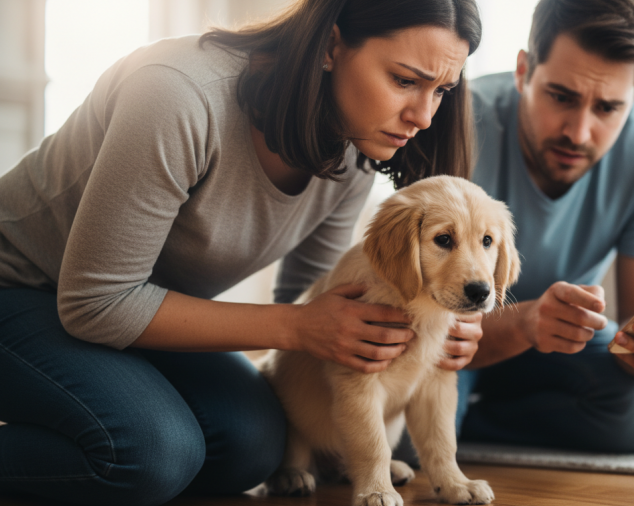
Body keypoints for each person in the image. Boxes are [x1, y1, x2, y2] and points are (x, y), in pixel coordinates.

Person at [0, 1, 481, 505]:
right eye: (405, 80)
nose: (425, 117)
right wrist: (301, 326)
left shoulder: (360, 139)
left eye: (442, 90)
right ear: (332, 47)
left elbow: (313, 294)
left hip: (137, 311)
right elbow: (95, 304)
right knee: (151, 454)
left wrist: (420, 326)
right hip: (23, 289)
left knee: (254, 449)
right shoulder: (177, 94)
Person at [453, 0, 634, 453]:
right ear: (524, 71)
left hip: (567, 339)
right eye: (561, 97)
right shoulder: (458, 118)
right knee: (405, 437)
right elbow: (426, 320)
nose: (579, 133)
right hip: (455, 334)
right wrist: (526, 322)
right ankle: (451, 422)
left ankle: (467, 424)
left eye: (608, 108)